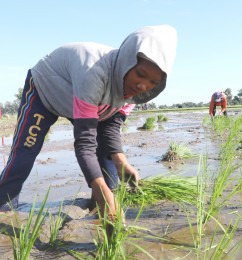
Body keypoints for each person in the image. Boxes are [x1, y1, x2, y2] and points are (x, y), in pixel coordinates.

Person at [0, 25, 177, 223]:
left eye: (153, 82)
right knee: (25, 151)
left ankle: (99, 209)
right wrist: (99, 187)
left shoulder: (137, 94)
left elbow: (110, 128)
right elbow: (85, 143)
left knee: (109, 163)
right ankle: (3, 209)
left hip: (85, 102)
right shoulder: (94, 71)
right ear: (127, 62)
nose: (143, 86)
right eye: (141, 74)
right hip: (46, 91)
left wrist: (122, 161)